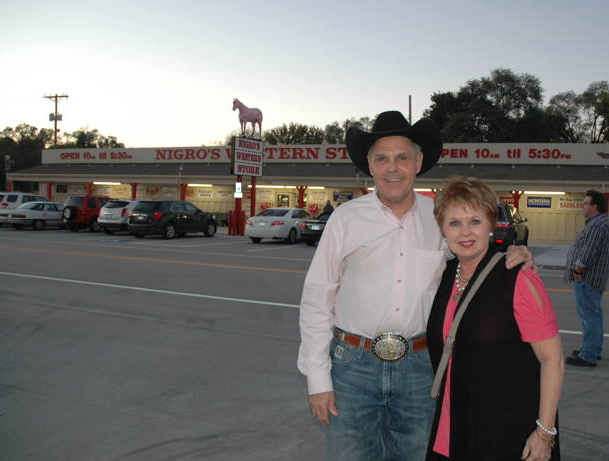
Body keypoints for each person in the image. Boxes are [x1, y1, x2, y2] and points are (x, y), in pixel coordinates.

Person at [297, 111, 533, 461]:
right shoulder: (345, 219)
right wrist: (318, 380)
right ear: (370, 165)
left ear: (418, 162)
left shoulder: (439, 216)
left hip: (422, 369)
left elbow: (476, 255)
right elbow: (318, 299)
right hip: (352, 368)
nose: (392, 168)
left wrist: (514, 255)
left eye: (402, 157)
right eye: (382, 158)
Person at [426, 176, 564, 461]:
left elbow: (553, 360)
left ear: (491, 224)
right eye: (454, 223)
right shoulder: (443, 276)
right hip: (453, 427)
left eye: (475, 221)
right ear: (442, 229)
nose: (466, 232)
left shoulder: (516, 276)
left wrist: (544, 433)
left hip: (507, 434)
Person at [564, 190, 609, 367]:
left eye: (585, 203)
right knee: (594, 315)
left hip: (587, 278)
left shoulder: (597, 225)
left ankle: (588, 355)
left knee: (589, 316)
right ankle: (592, 349)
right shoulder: (600, 223)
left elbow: (589, 252)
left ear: (594, 206)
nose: (582, 206)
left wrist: (578, 269)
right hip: (593, 278)